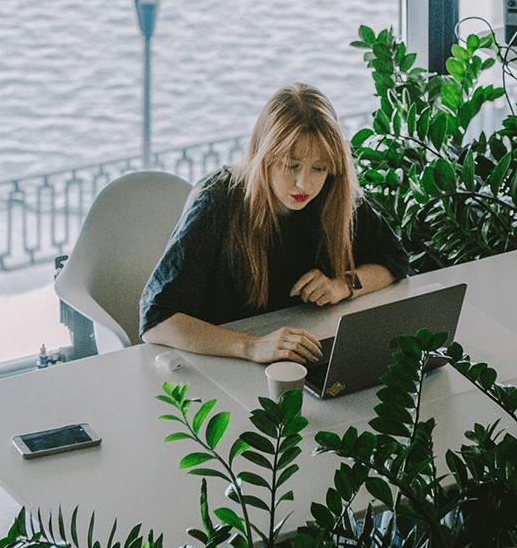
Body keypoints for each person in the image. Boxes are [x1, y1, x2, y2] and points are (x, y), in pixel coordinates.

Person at [140, 83, 409, 364]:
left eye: (318, 168)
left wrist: (343, 285)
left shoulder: (332, 194)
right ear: (264, 157)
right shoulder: (217, 200)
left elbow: (394, 261)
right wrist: (253, 346)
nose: (304, 183)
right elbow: (156, 319)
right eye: (291, 165)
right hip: (221, 363)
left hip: (299, 357)